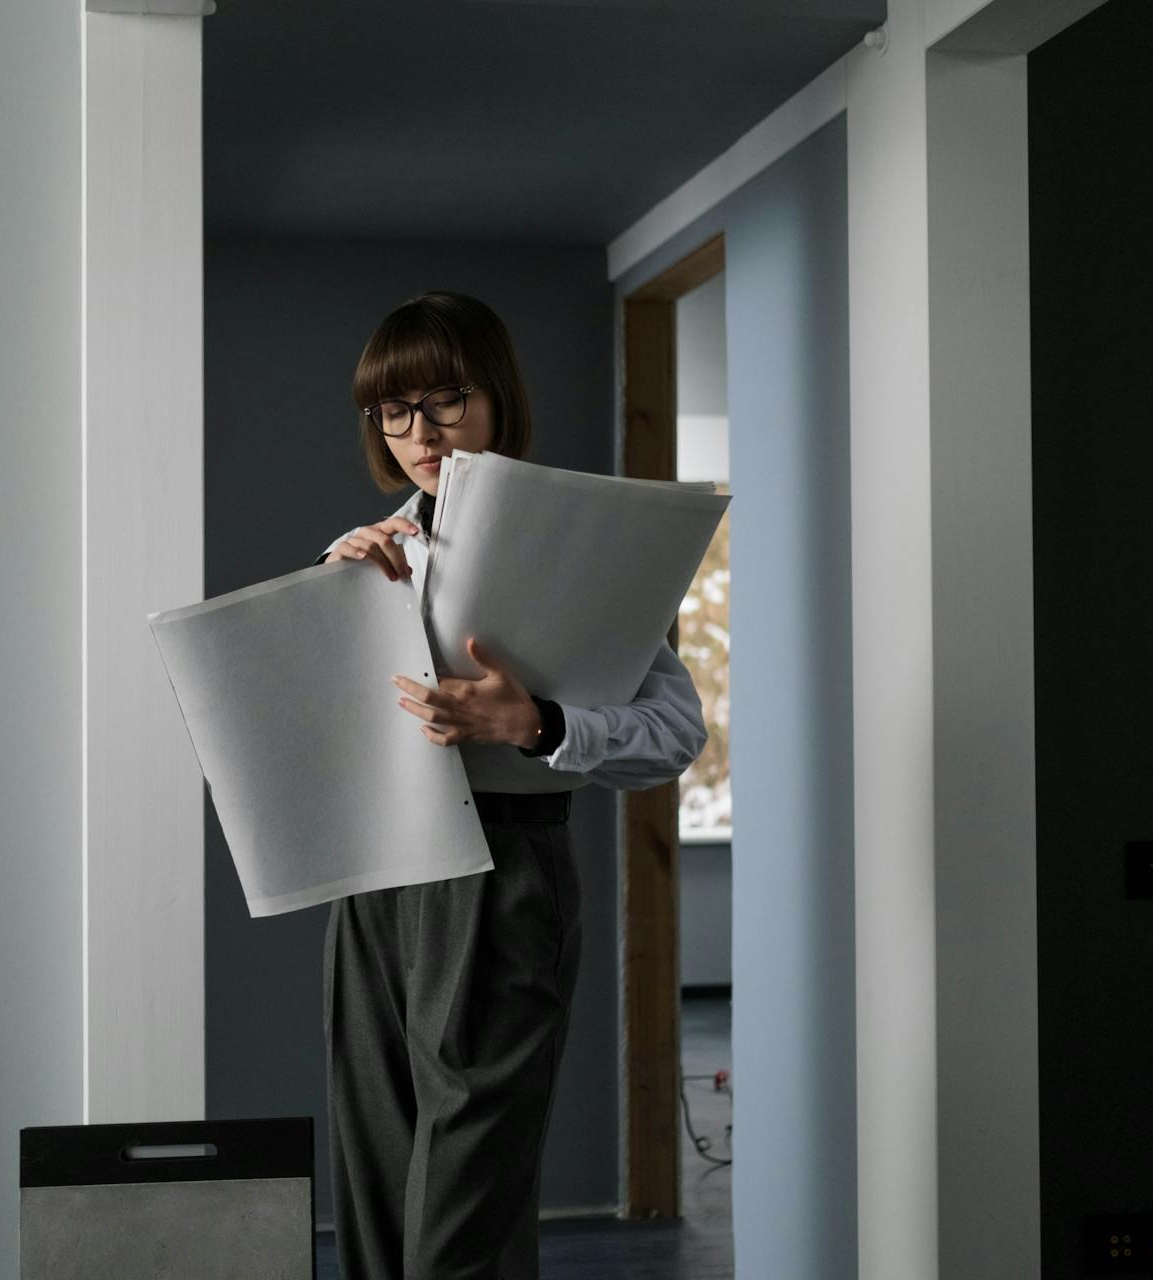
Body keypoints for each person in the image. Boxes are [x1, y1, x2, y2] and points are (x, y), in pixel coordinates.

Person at [315, 290, 707, 1280]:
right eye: (392, 411)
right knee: (375, 1168)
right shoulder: (376, 548)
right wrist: (335, 607)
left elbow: (673, 731)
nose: (418, 432)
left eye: (444, 399)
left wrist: (535, 723)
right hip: (375, 871)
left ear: (497, 398)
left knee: (465, 1204)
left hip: (500, 866)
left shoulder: (578, 535)